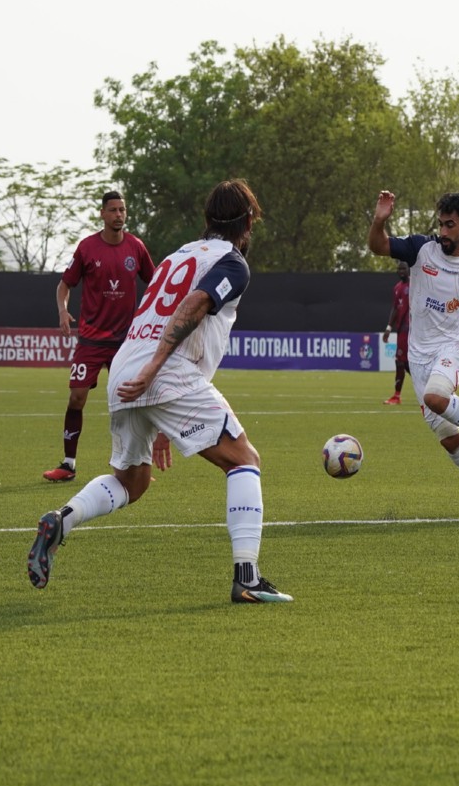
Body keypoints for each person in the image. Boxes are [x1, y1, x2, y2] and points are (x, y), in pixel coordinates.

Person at [27, 179, 293, 603]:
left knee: (132, 481)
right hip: (160, 370)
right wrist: (155, 371)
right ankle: (247, 577)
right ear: (246, 224)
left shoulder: (176, 255)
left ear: (207, 220)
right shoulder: (233, 263)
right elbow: (193, 306)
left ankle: (63, 519)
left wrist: (152, 391)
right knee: (244, 461)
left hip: (126, 372)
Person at [368, 189, 459, 515]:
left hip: (454, 347)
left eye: (450, 225)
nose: (443, 232)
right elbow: (378, 246)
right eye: (441, 225)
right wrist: (379, 221)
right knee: (448, 440)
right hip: (419, 356)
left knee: (436, 397)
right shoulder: (422, 248)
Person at [42, 191, 156, 482]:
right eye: (113, 210)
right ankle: (68, 465)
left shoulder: (136, 247)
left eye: (123, 210)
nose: (119, 214)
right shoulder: (87, 248)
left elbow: (154, 283)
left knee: (132, 402)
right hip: (91, 340)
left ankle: (137, 466)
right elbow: (64, 285)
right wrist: (62, 311)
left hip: (125, 342)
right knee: (77, 398)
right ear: (102, 214)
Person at [383, 261, 411, 404]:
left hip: (411, 330)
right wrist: (389, 328)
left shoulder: (415, 286)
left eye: (403, 269)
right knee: (405, 364)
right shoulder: (397, 288)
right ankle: (427, 388)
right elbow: (395, 309)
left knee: (401, 362)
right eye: (399, 269)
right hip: (401, 330)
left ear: (409, 270)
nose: (401, 271)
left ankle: (396, 396)